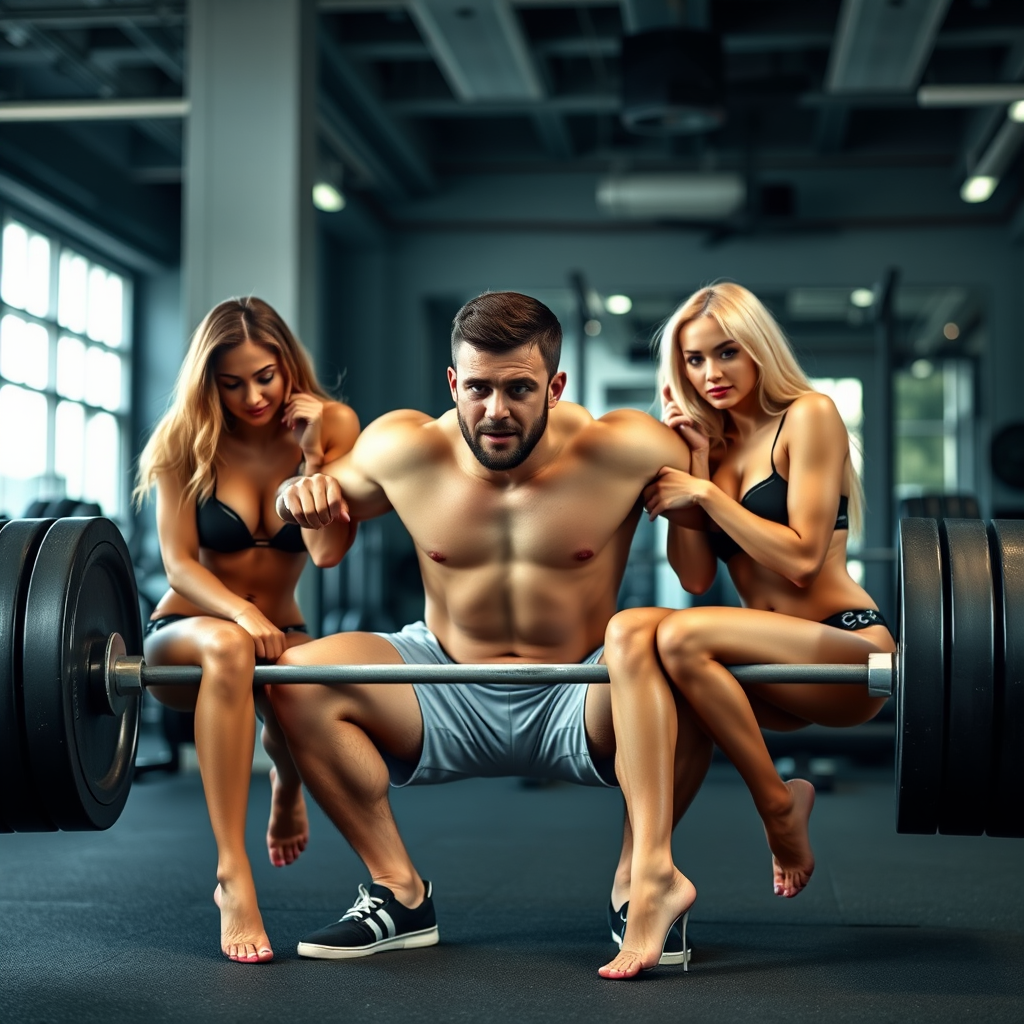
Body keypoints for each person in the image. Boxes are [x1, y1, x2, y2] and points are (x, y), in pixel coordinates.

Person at [270, 290, 713, 962]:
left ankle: (638, 884)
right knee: (296, 678)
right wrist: (299, 486)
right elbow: (328, 542)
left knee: (687, 666)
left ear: (555, 386)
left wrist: (700, 479)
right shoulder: (402, 447)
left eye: (519, 389)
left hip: (583, 686)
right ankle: (399, 892)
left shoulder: (626, 447)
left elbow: (697, 576)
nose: (496, 410)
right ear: (453, 382)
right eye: (477, 388)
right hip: (444, 679)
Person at [598, 282, 897, 979]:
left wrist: (704, 495)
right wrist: (698, 465)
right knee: (650, 650)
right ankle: (644, 878)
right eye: (695, 361)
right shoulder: (715, 441)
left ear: (758, 347)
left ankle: (777, 810)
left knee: (674, 638)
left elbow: (799, 556)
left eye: (727, 352)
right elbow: (696, 576)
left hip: (845, 650)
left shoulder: (809, 416)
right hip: (760, 671)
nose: (711, 375)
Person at [133, 296, 358, 963]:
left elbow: (326, 554)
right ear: (209, 383)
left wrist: (316, 459)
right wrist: (244, 612)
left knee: (299, 686)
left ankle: (285, 778)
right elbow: (177, 563)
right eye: (230, 383)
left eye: (265, 376)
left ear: (288, 364)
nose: (253, 396)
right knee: (231, 646)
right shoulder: (183, 440)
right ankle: (233, 875)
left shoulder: (332, 423)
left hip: (284, 640)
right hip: (190, 632)